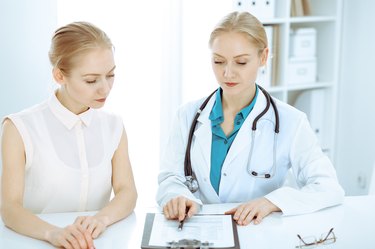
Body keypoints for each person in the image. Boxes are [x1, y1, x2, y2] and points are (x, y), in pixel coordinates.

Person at [157, 11, 344, 226]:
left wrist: (271, 202)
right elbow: (170, 177)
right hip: (199, 230)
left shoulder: (291, 121)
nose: (227, 73)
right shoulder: (187, 116)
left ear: (263, 57)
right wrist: (178, 196)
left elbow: (328, 187)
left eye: (241, 62)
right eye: (218, 61)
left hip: (258, 233)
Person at [1, 22, 137, 249]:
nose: (105, 88)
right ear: (59, 76)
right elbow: (9, 208)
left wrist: (102, 219)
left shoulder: (113, 125)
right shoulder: (19, 127)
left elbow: (127, 191)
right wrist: (52, 234)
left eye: (110, 75)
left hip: (96, 243)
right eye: (91, 80)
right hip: (34, 243)